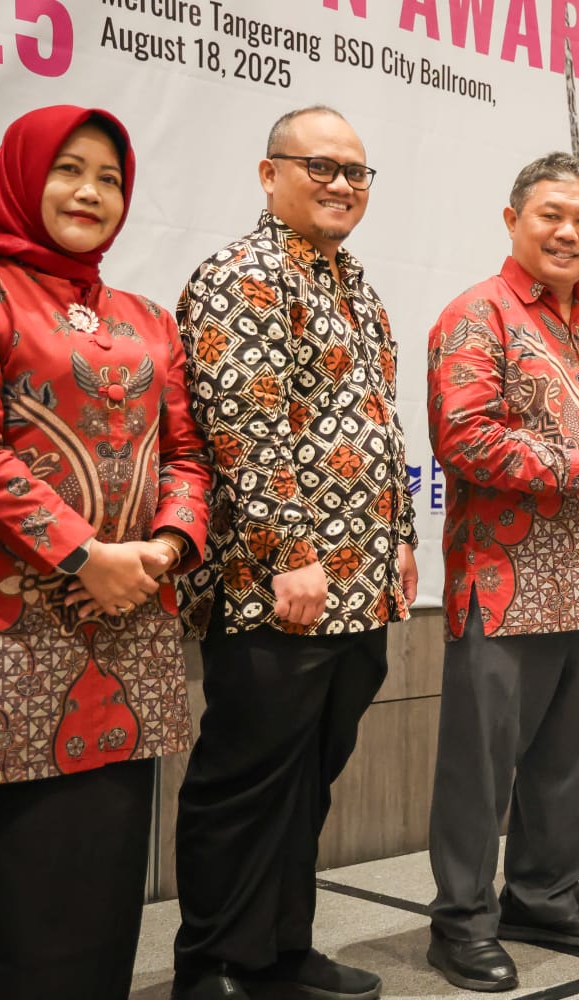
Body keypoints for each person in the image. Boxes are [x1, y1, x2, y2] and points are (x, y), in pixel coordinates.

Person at [171, 105, 418, 1000]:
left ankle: (280, 950)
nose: (342, 184)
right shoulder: (243, 276)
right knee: (244, 780)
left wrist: (399, 540)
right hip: (272, 586)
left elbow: (379, 426)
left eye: (355, 171)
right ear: (269, 173)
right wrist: (289, 552)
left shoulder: (354, 284)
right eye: (321, 166)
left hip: (359, 584)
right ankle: (213, 964)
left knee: (307, 781)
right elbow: (244, 428)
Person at [0, 104, 210, 1000]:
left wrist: (164, 548)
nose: (90, 192)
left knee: (103, 877)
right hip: (6, 635)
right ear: (22, 178)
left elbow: (188, 456)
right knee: (14, 883)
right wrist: (85, 556)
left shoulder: (147, 317)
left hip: (131, 628)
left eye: (109, 177)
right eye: (67, 170)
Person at [424, 152, 579, 993]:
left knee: (573, 762)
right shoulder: (475, 315)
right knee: (479, 769)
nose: (569, 233)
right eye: (552, 215)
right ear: (513, 219)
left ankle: (545, 896)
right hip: (504, 582)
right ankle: (461, 920)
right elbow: (466, 437)